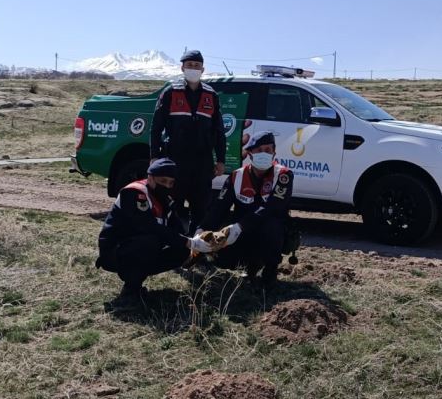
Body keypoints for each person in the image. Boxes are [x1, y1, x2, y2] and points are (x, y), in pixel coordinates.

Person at [95, 158, 213, 306]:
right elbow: (148, 227)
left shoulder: (165, 200)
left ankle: (137, 279)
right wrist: (189, 242)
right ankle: (130, 291)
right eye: (162, 181)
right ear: (150, 177)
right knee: (152, 240)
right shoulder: (135, 193)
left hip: (136, 247)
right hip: (114, 251)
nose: (166, 186)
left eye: (170, 183)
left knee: (182, 249)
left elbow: (177, 231)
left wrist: (196, 243)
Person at [199, 131, 293, 289]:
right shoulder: (237, 176)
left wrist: (240, 226)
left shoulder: (283, 175)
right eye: (259, 150)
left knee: (272, 226)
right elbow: (219, 208)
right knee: (222, 256)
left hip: (269, 232)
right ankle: (249, 266)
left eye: (268, 150)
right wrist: (201, 229)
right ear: (250, 153)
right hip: (242, 233)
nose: (264, 154)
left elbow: (272, 207)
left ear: (274, 152)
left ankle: (269, 272)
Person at [150, 49, 226, 235]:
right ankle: (173, 247)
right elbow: (156, 127)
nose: (193, 68)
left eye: (197, 65)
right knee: (173, 206)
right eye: (190, 65)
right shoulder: (170, 92)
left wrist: (221, 159)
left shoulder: (211, 95)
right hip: (175, 160)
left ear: (203, 69)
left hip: (202, 162)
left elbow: (219, 131)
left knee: (200, 208)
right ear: (182, 67)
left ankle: (196, 249)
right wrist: (154, 156)